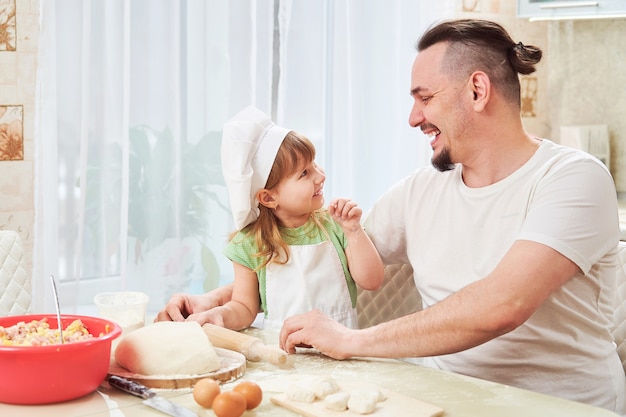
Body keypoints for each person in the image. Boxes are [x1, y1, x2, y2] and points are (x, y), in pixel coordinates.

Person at [156, 19, 625, 413]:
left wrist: (352, 340)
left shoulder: (573, 179)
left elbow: (502, 306)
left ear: (478, 90)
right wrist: (221, 299)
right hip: (452, 401)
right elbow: (328, 255)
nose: (412, 117)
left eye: (425, 97)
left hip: (560, 406)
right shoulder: (422, 190)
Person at [193, 106, 383, 331]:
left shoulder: (335, 225)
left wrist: (354, 232)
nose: (320, 176)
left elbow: (372, 281)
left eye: (315, 164)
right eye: (305, 173)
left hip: (340, 352)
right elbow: (244, 308)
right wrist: (221, 315)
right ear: (268, 197)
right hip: (283, 358)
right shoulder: (250, 244)